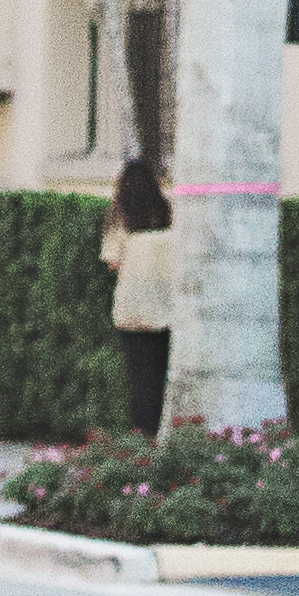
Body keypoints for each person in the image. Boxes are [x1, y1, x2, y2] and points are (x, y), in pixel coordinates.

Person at [101, 152, 177, 432]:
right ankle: (162, 432)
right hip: (166, 309)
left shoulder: (120, 217)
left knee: (139, 380)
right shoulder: (169, 213)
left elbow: (112, 261)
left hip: (132, 310)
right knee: (162, 378)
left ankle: (143, 436)